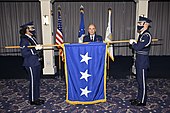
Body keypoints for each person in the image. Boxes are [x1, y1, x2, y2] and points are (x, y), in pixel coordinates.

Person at [19, 21, 44, 105]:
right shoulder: (24, 40)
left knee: (37, 81)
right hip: (30, 63)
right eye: (31, 28)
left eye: (33, 28)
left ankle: (36, 97)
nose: (33, 29)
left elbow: (34, 49)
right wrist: (35, 50)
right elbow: (24, 53)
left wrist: (38, 48)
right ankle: (33, 100)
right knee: (33, 81)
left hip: (36, 62)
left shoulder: (32, 38)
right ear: (26, 30)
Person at [129, 16, 152, 106]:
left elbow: (138, 47)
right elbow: (138, 47)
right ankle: (139, 98)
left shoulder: (146, 35)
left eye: (140, 23)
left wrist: (133, 43)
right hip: (139, 61)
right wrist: (135, 43)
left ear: (145, 25)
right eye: (138, 23)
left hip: (143, 62)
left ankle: (142, 101)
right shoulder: (142, 34)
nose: (138, 25)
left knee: (142, 82)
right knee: (139, 81)